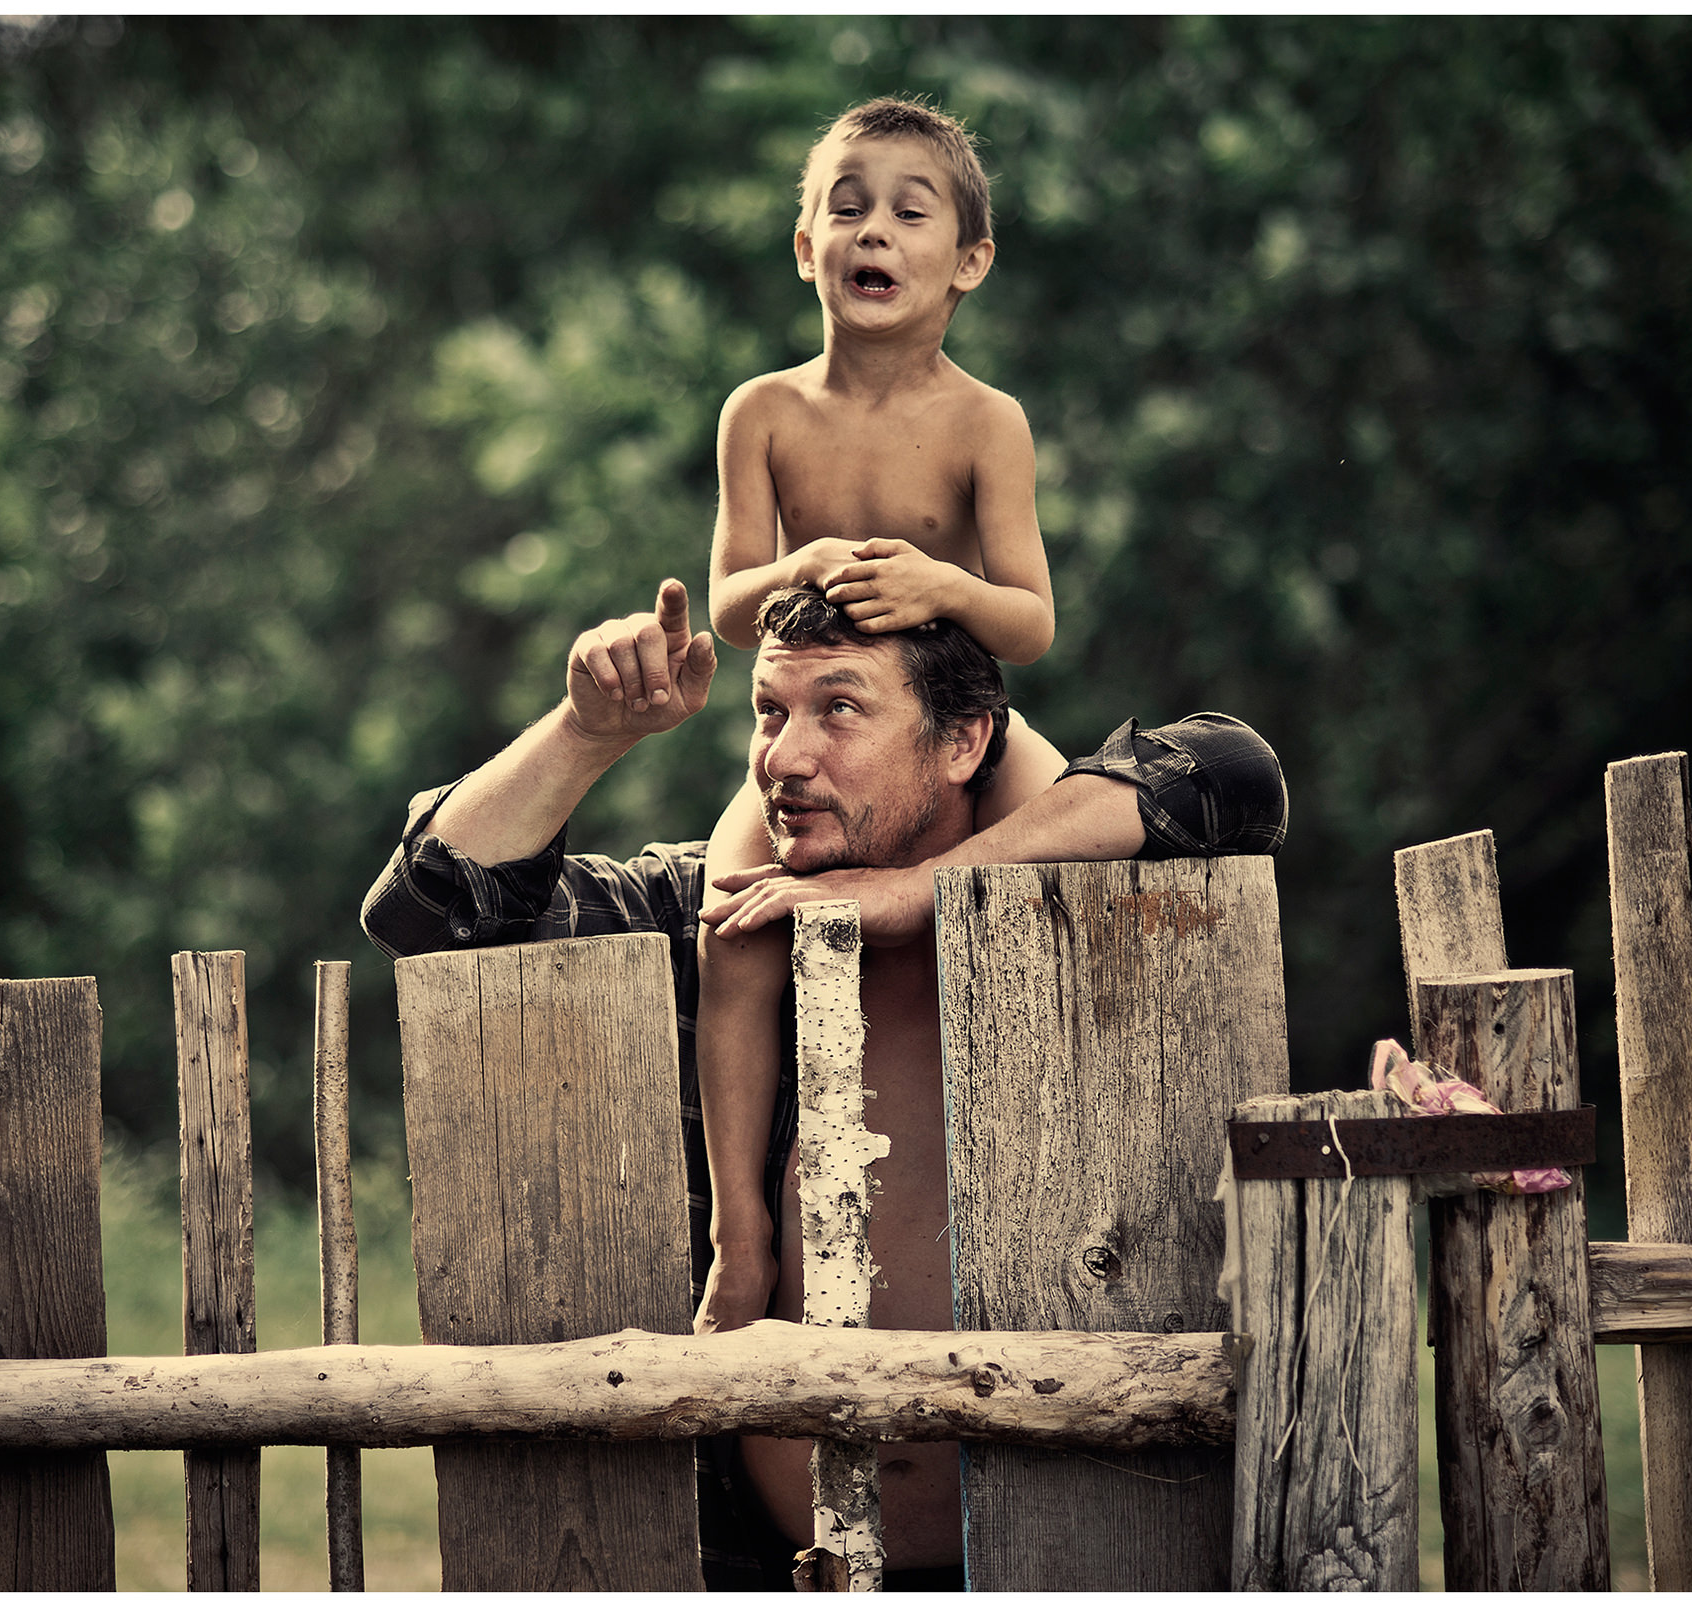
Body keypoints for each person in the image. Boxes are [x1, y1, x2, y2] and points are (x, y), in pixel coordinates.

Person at [360, 578, 1287, 1587]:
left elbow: (1233, 770)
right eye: (770, 711)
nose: (785, 758)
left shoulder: (1081, 901)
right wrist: (587, 731)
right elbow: (428, 907)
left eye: (840, 709)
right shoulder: (713, 913)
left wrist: (921, 889)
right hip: (759, 1563)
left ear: (965, 742)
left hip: (1069, 1558)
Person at [691, 97, 1067, 1343]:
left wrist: (938, 586)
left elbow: (1028, 621)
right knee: (733, 925)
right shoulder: (765, 412)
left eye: (913, 210)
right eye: (846, 205)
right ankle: (741, 1237)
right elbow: (736, 597)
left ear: (968, 263)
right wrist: (805, 576)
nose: (874, 229)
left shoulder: (986, 419)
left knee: (1080, 860)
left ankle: (1060, 1168)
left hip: (964, 728)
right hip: (825, 725)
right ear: (805, 246)